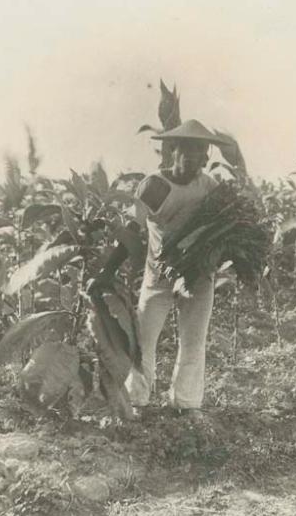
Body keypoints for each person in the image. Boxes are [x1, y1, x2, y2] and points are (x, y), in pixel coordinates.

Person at [89, 119, 230, 421]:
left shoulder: (209, 187)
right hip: (159, 277)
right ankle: (137, 402)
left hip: (199, 277)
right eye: (188, 151)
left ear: (207, 156)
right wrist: (107, 272)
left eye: (201, 152)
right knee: (143, 341)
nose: (196, 159)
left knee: (193, 340)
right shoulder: (154, 186)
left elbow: (221, 230)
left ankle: (187, 404)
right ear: (171, 150)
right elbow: (131, 231)